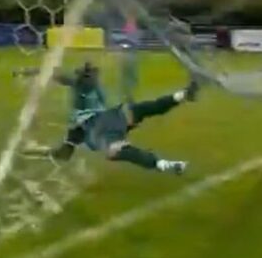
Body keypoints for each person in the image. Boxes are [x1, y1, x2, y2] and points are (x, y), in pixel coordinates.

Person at [36, 62, 197, 175]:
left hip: (100, 126)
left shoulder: (80, 92)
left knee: (120, 150)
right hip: (114, 116)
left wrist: (41, 151)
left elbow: (64, 153)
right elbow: (65, 151)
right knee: (145, 109)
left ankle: (167, 165)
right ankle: (181, 95)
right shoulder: (93, 88)